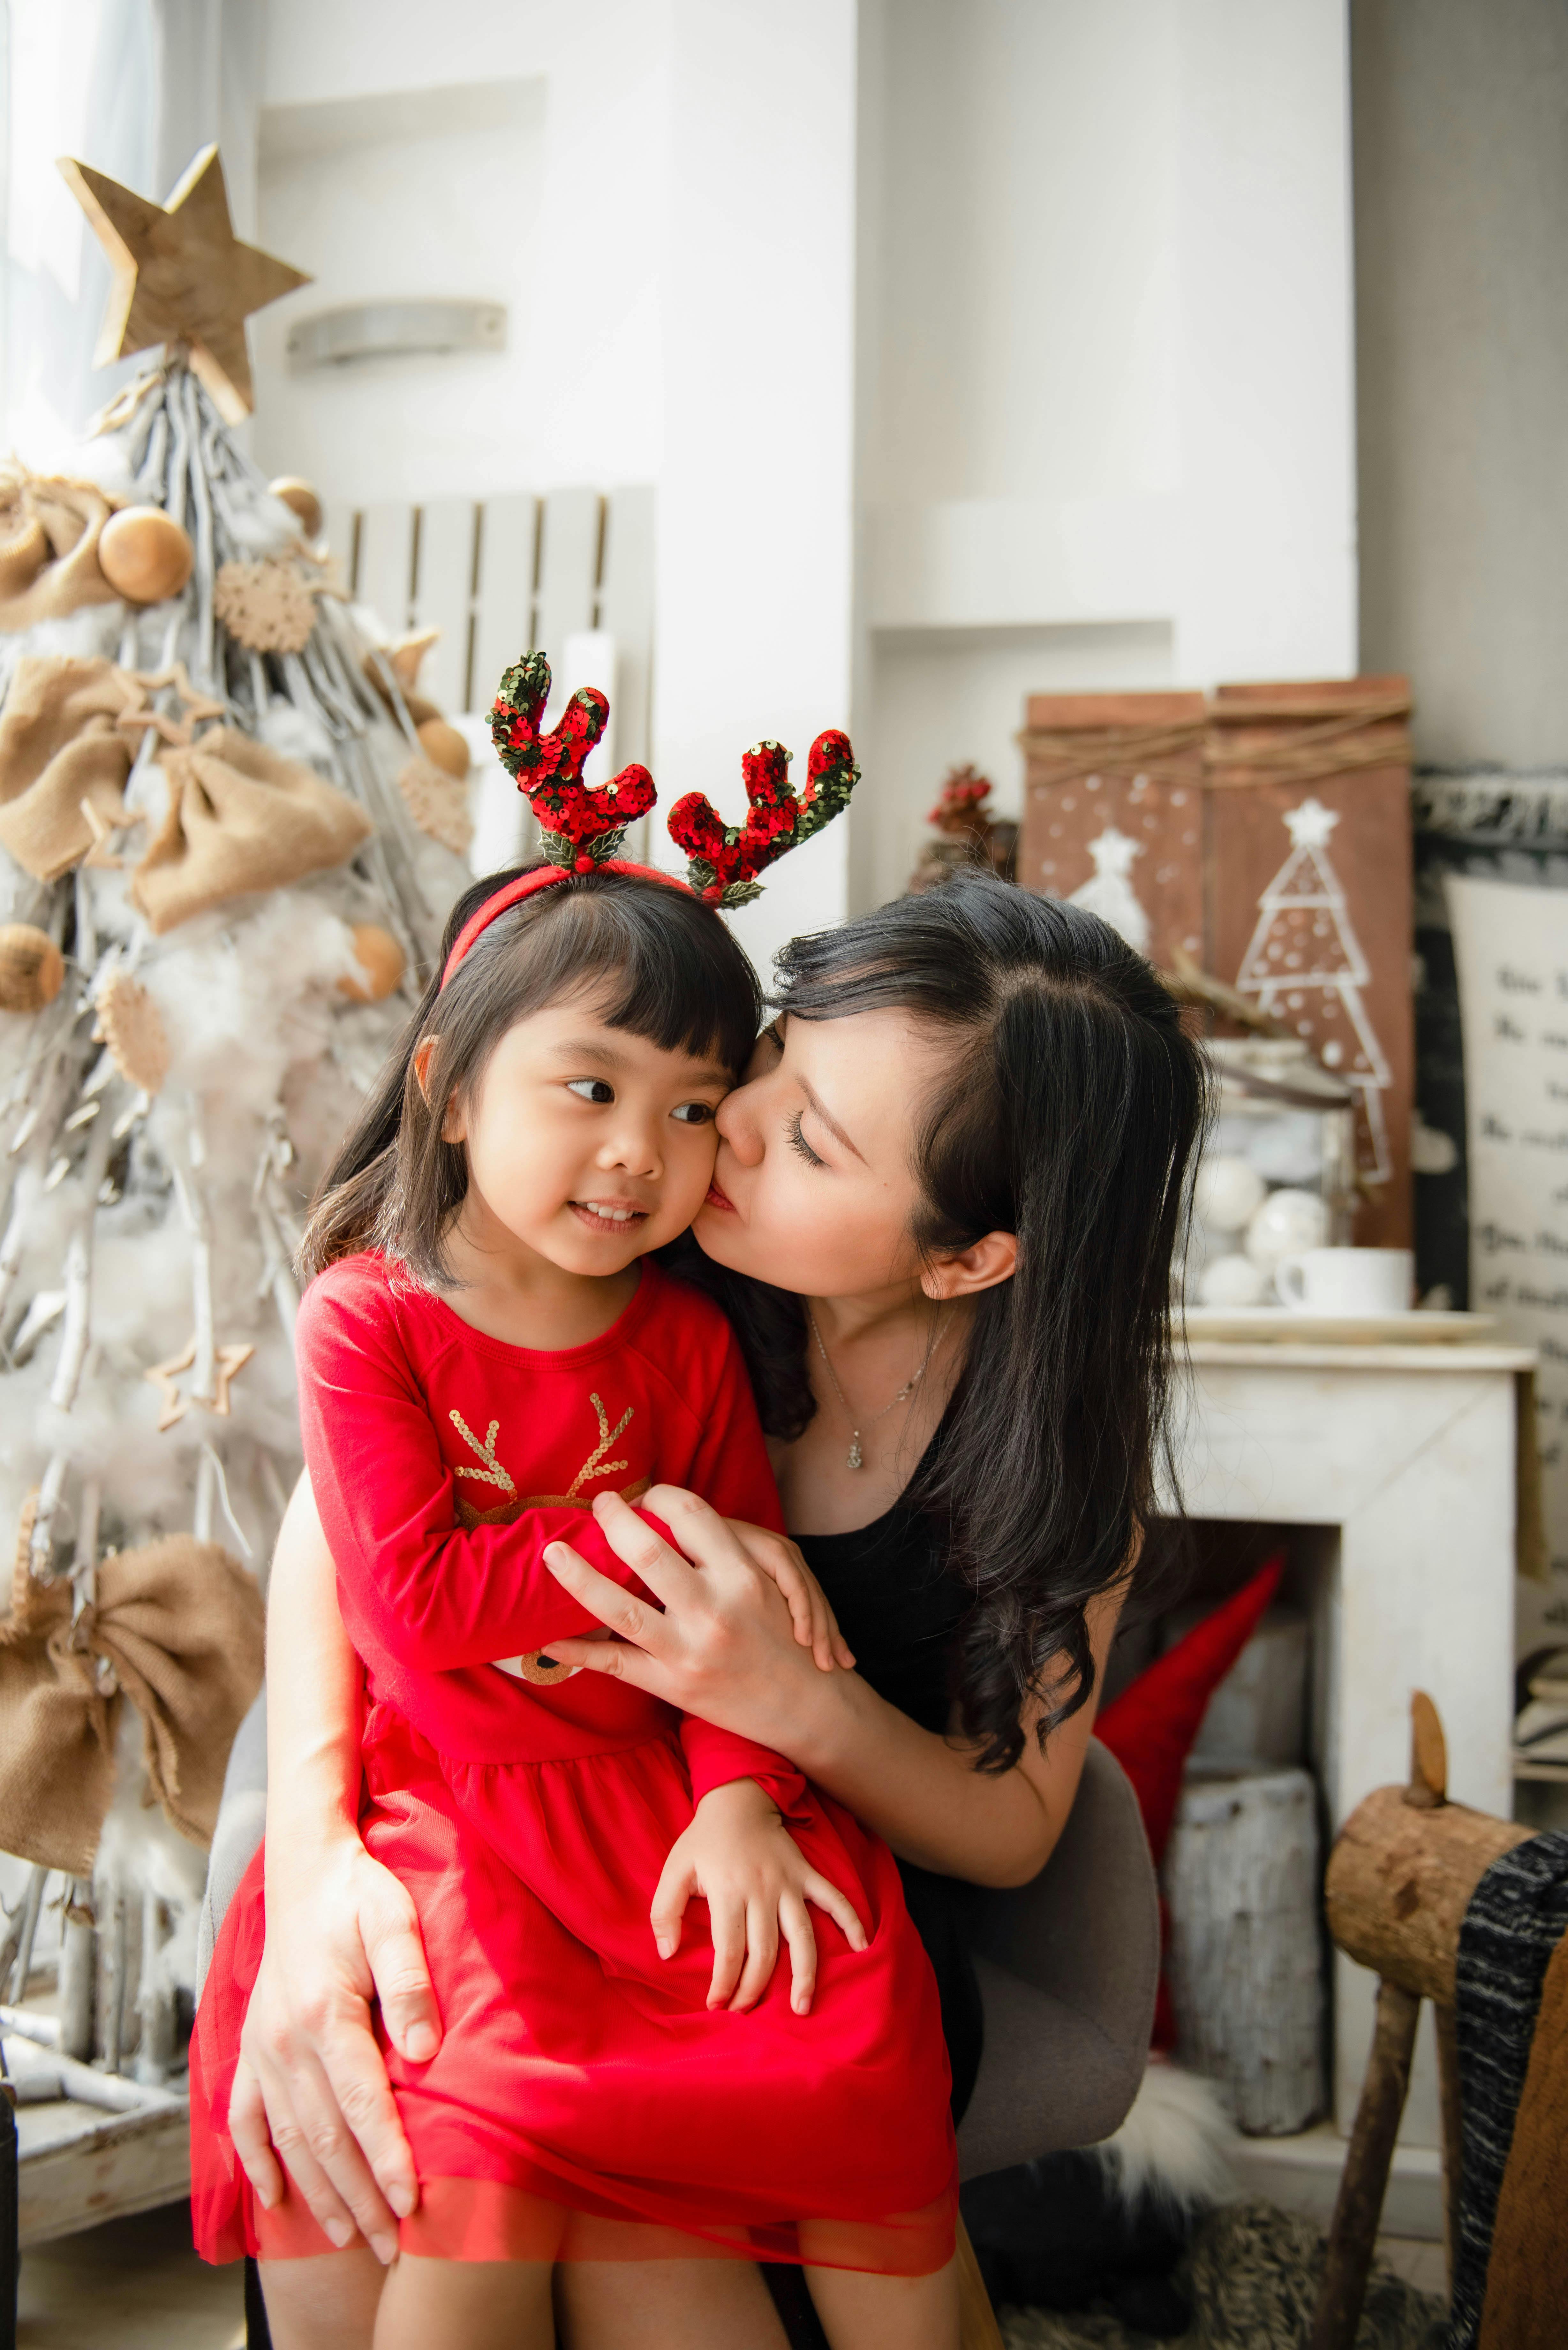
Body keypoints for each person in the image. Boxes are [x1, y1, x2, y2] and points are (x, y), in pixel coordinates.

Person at [226, 868, 1206, 2350]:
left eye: (807, 1136)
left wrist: (788, 1703)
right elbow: (350, 1514)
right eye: (776, 1057)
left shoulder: (1048, 1468)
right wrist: (311, 1859)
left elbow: (1011, 1824)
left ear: (965, 1254)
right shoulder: (644, 1218)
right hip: (491, 1819)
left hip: (783, 1895)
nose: (721, 1129)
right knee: (409, 2174)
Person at [191, 669, 961, 2350]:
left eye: (696, 1110)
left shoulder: (686, 1332)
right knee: (465, 2193)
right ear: (452, 1089)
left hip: (654, 1801)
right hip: (456, 1817)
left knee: (825, 2009)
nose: (643, 1154)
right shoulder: (368, 1317)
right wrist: (662, 1542)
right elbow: (414, 1609)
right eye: (592, 1089)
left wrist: (745, 1797)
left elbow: (751, 1620)